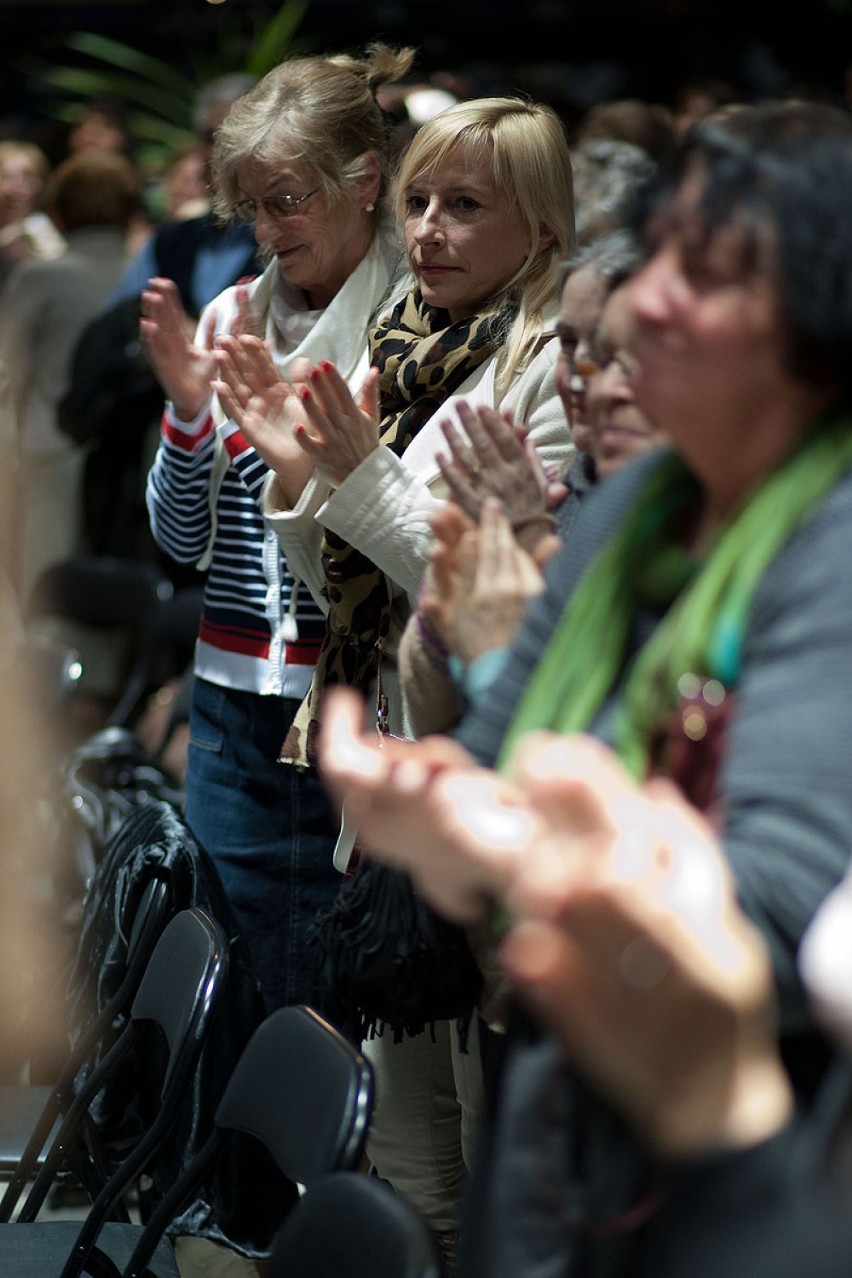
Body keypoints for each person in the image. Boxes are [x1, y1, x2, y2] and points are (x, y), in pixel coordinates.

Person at [314, 99, 852, 1276]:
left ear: (817, 326)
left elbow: (778, 902)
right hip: (573, 1103)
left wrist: (504, 832)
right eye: (658, 259)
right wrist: (442, 801)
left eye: (707, 275)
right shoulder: (624, 516)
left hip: (757, 1154)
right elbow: (494, 754)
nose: (646, 301)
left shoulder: (833, 542)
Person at [220, 92, 575, 1267]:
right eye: (417, 201)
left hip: (487, 806)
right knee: (407, 1158)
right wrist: (299, 486)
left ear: (541, 225)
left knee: (484, 1160)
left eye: (464, 206)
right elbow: (350, 600)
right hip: (397, 798)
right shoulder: (405, 340)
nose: (426, 228)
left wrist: (358, 479)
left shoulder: (551, 365)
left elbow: (496, 607)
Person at [143, 44, 414, 1018]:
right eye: (250, 205)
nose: (263, 229)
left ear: (365, 181)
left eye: (286, 200)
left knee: (338, 1000)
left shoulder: (411, 329)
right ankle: (225, 1177)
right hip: (229, 708)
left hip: (353, 711)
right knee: (232, 986)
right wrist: (184, 415)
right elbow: (181, 544)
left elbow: (403, 556)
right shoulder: (227, 318)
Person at [0, 150, 140, 595]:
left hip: (50, 456)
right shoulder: (147, 276)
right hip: (131, 461)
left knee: (44, 593)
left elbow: (8, 372)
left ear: (58, 209)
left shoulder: (40, 278)